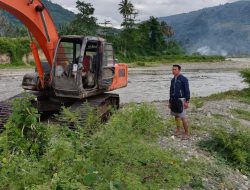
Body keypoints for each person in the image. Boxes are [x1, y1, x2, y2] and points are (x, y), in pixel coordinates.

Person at [169, 65, 190, 140]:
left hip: (181, 100)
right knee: (176, 116)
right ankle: (178, 130)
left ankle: (187, 133)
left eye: (175, 69)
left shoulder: (184, 79)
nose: (173, 71)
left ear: (179, 70)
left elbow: (187, 91)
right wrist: (170, 101)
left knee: (183, 117)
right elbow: (171, 91)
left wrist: (187, 101)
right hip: (174, 100)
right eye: (172, 69)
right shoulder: (173, 80)